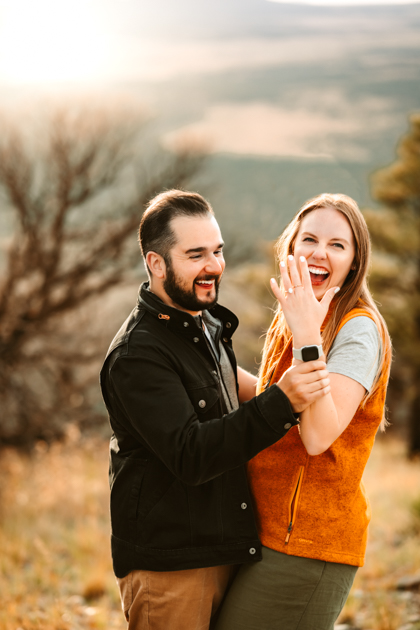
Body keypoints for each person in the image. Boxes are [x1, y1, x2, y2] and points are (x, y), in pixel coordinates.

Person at [99, 189, 331, 630]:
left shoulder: (201, 322)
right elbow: (192, 454)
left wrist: (307, 362)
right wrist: (282, 400)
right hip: (171, 567)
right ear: (156, 263)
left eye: (217, 251)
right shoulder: (138, 356)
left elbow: (237, 390)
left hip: (223, 548)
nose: (214, 266)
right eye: (195, 255)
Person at [214, 193, 392, 630]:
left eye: (337, 244)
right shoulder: (300, 316)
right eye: (309, 238)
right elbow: (280, 402)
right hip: (265, 529)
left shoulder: (357, 330)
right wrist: (201, 353)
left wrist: (307, 334)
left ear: (355, 262)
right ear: (290, 246)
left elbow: (317, 435)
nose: (318, 252)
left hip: (309, 546)